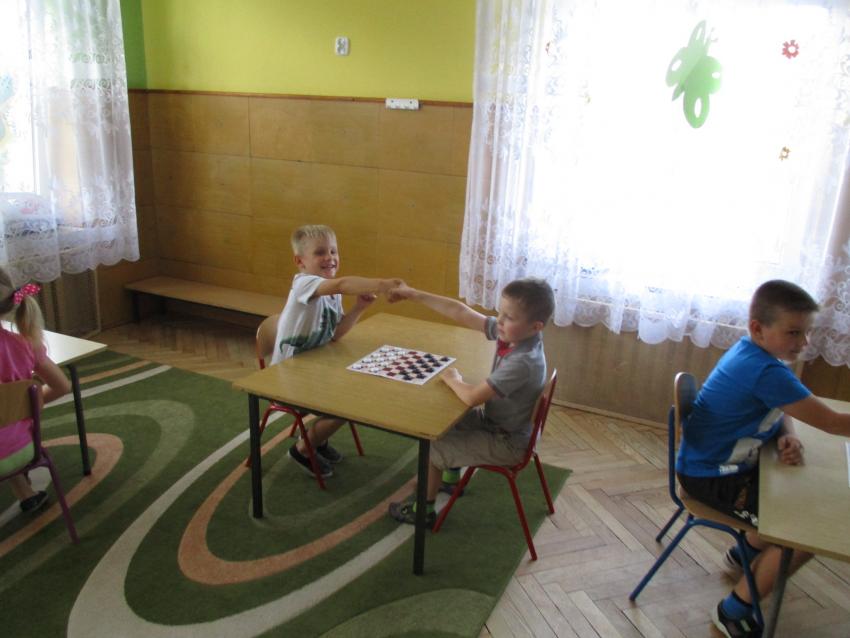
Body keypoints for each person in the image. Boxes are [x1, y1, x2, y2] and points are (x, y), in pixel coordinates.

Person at [676, 280, 850, 638]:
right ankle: (732, 611)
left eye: (806, 332)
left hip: (714, 464)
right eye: (794, 333)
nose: (803, 343)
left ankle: (744, 554)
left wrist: (786, 434)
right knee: (806, 533)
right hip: (711, 476)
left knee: (799, 497)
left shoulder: (753, 354)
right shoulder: (765, 371)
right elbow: (833, 423)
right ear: (758, 328)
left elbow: (780, 406)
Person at [386, 277, 554, 528]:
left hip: (507, 442)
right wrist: (413, 294)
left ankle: (424, 512)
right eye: (500, 313)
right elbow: (460, 312)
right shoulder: (516, 336)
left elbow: (473, 397)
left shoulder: (523, 361)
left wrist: (453, 379)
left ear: (536, 326)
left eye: (509, 317)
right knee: (442, 416)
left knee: (430, 448)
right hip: (503, 426)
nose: (499, 321)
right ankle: (450, 479)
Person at [273, 224, 403, 478]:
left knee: (358, 386)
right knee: (350, 402)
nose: (330, 257)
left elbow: (335, 334)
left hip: (314, 370)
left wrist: (359, 308)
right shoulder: (304, 283)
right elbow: (343, 283)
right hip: (286, 378)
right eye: (320, 252)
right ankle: (303, 449)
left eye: (333, 251)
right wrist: (383, 284)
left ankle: (318, 440)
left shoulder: (331, 291)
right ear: (300, 261)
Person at [0, 268, 71, 512]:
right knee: (5, 426)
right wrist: (24, 405)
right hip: (22, 450)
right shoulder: (25, 345)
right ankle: (27, 494)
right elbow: (62, 386)